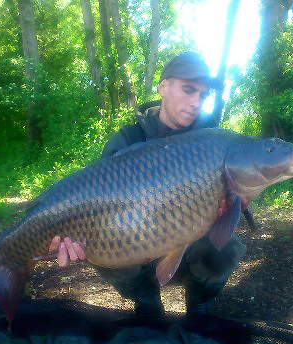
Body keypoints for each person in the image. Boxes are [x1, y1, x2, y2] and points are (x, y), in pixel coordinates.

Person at [49, 52, 246, 317]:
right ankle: (146, 302)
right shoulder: (128, 140)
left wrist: (233, 205)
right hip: (132, 241)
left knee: (227, 244)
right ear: (163, 87)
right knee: (96, 243)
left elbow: (232, 210)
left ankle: (201, 302)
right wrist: (71, 239)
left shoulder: (210, 143)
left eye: (202, 95)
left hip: (186, 245)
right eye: (189, 90)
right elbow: (92, 204)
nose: (195, 102)